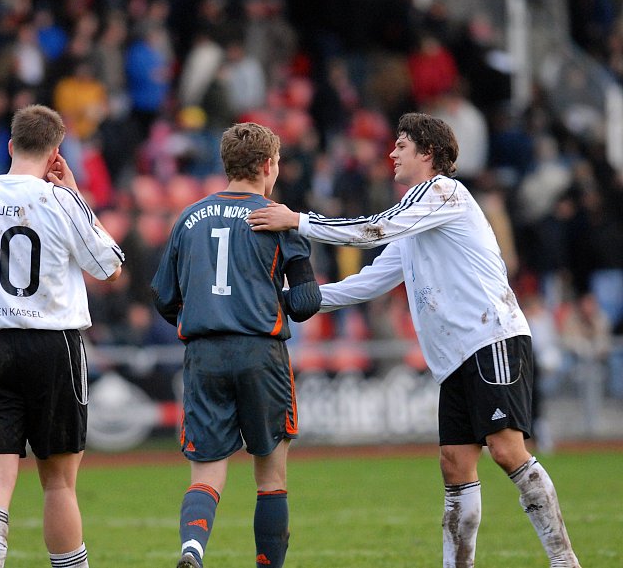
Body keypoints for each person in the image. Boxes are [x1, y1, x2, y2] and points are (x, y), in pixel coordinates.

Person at [247, 112, 581, 568]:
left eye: (401, 145)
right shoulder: (417, 220)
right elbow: (369, 281)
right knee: (454, 463)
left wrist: (298, 221)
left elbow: (373, 230)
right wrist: (289, 302)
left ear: (427, 152)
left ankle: (565, 562)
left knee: (507, 451)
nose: (392, 153)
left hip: (490, 337)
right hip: (457, 357)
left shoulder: (442, 192)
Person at [0, 104, 124, 568]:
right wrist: (77, 194)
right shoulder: (60, 200)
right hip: (52, 344)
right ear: (57, 153)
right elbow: (111, 267)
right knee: (58, 483)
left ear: (12, 146)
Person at [151, 122, 321, 568]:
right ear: (267, 165)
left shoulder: (187, 218)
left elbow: (163, 297)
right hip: (260, 353)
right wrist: (265, 301)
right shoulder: (280, 218)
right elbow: (305, 302)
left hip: (204, 353)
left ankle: (192, 549)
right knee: (270, 475)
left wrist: (205, 314)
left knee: (206, 470)